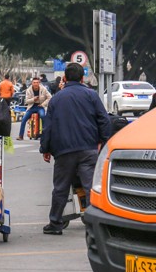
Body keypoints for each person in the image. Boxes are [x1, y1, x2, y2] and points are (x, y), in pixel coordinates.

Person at [39, 62, 111, 234]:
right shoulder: (91, 95)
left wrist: (45, 149)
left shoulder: (56, 99)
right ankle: (95, 224)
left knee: (60, 188)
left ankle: (55, 223)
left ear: (64, 78)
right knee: (90, 187)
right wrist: (103, 142)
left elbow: (48, 127)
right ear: (82, 78)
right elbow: (104, 120)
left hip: (63, 151)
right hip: (88, 149)